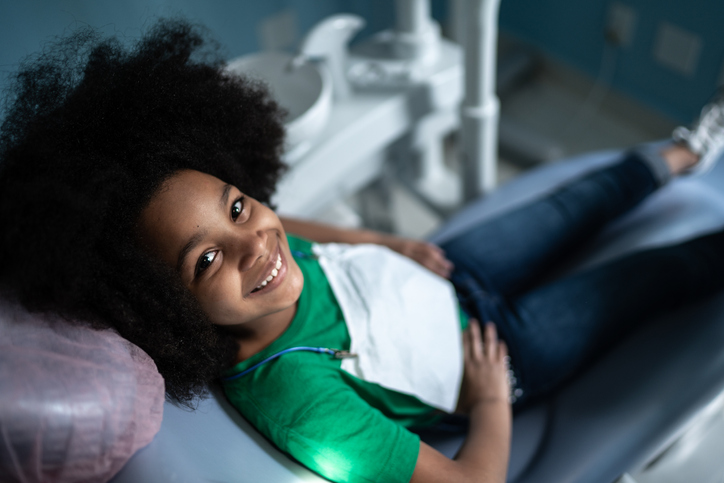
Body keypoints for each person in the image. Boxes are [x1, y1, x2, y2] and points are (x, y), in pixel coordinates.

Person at [0, 19, 722, 483]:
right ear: (166, 311)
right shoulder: (303, 403)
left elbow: (298, 228)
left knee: (579, 201)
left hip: (444, 266)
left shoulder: (263, 250)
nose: (255, 244)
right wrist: (495, 399)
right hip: (500, 354)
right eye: (206, 261)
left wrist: (389, 240)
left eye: (240, 204)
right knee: (648, 280)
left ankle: (690, 150)